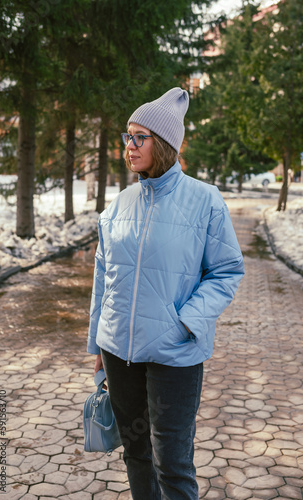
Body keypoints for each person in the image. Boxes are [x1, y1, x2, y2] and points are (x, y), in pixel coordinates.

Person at [87, 87, 244, 499]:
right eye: (127, 136)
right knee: (136, 454)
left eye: (141, 137)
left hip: (175, 354)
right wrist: (98, 347)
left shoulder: (204, 201)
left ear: (166, 144)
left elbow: (227, 270)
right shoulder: (119, 205)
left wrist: (187, 321)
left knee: (171, 462)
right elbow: (103, 278)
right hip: (120, 354)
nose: (130, 146)